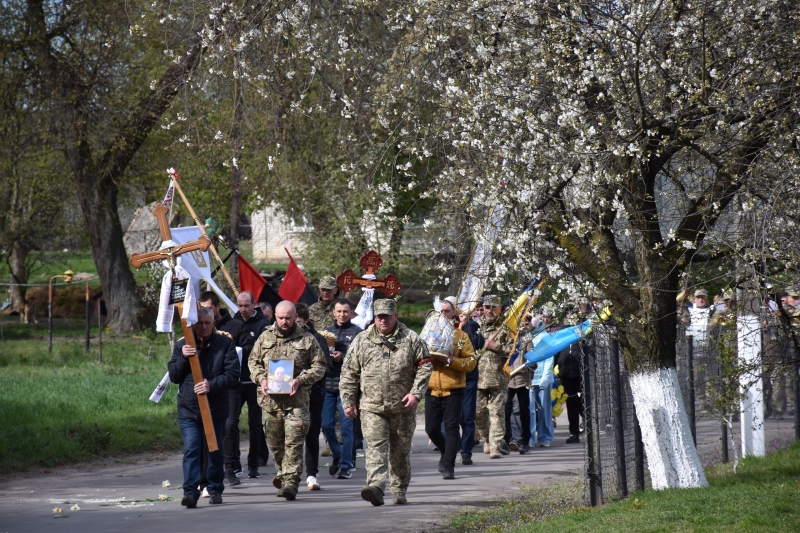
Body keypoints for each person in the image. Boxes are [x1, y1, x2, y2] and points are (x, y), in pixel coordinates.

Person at [340, 298, 433, 506]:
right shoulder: (362, 340)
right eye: (379, 317)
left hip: (402, 407)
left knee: (400, 452)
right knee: (375, 449)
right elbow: (348, 373)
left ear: (395, 316)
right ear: (375, 317)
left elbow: (425, 366)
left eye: (387, 316)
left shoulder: (411, 339)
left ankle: (399, 489)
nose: (383, 321)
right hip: (372, 407)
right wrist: (348, 401)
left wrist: (416, 393)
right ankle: (376, 487)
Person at [249, 301, 327, 501]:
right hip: (270, 403)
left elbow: (320, 366)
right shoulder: (264, 337)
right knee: (276, 445)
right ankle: (283, 475)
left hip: (297, 402)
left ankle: (291, 483)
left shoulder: (307, 339)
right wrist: (261, 378)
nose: (284, 322)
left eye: (288, 318)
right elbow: (253, 362)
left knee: (293, 443)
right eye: (280, 317)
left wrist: (301, 379)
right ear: (275, 315)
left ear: (295, 317)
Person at [168, 308, 239, 508]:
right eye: (200, 323)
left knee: (215, 449)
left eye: (208, 322)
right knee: (192, 449)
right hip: (189, 409)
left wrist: (211, 384)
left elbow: (233, 375)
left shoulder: (225, 344)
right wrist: (182, 357)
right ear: (193, 324)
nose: (204, 326)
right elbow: (174, 376)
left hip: (215, 408)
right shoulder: (183, 344)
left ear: (214, 323)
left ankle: (215, 488)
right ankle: (190, 492)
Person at [425, 298, 476, 479]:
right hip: (431, 388)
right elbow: (416, 361)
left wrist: (450, 361)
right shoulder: (427, 335)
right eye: (440, 311)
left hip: (453, 388)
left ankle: (449, 466)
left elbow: (470, 363)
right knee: (431, 429)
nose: (442, 314)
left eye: (446, 311)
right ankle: (445, 451)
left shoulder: (460, 337)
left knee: (452, 428)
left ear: (453, 313)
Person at [223, 290, 269, 484]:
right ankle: (233, 464)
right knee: (230, 423)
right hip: (234, 382)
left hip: (255, 382)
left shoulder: (263, 325)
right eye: (240, 305)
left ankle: (254, 464)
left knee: (255, 423)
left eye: (247, 305)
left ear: (254, 304)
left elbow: (264, 351)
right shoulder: (231, 324)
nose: (243, 309)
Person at [322, 298, 362, 480]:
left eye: (345, 311)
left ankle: (347, 464)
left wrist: (343, 357)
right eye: (338, 311)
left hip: (348, 386)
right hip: (327, 385)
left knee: (347, 427)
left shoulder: (358, 334)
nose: (342, 314)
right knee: (326, 425)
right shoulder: (326, 333)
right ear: (334, 312)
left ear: (351, 313)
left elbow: (361, 358)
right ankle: (337, 454)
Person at [295, 302, 332, 492]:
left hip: (312, 396)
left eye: (298, 321)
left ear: (307, 321)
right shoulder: (281, 338)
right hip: (288, 396)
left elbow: (325, 367)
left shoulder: (317, 339)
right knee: (290, 435)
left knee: (311, 434)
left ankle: (311, 475)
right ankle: (289, 474)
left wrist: (304, 378)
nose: (294, 324)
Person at [476, 295, 514, 459]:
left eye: (493, 307)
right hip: (478, 378)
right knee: (478, 413)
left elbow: (513, 351)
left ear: (499, 309)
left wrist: (495, 346)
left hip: (498, 378)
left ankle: (495, 446)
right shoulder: (477, 326)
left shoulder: (506, 328)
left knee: (497, 413)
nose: (489, 310)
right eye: (486, 307)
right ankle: (486, 438)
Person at [457, 307, 484, 465]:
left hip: (469, 377)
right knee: (453, 417)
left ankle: (466, 451)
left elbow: (478, 346)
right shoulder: (442, 327)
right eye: (444, 311)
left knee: (467, 416)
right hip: (451, 377)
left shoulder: (473, 325)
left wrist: (467, 324)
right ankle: (450, 448)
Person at [523, 316, 553, 447]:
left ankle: (545, 436)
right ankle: (529, 437)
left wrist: (545, 378)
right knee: (529, 409)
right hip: (529, 377)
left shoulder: (545, 337)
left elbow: (549, 358)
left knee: (544, 409)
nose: (525, 325)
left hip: (542, 378)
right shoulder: (524, 337)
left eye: (527, 322)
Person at [504, 321, 531, 455]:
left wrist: (531, 363)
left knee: (524, 410)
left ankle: (525, 441)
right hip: (507, 380)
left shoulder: (526, 337)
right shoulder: (505, 336)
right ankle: (506, 439)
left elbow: (532, 357)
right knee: (506, 410)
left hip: (522, 379)